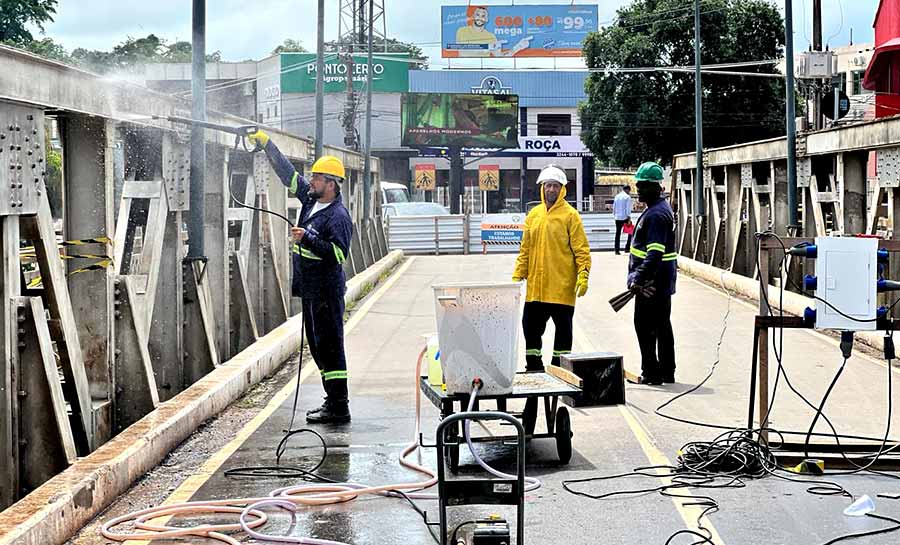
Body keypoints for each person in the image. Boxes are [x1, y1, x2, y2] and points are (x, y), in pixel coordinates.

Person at [248, 129, 353, 424]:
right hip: (310, 290)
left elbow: (338, 255)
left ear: (331, 184)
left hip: (326, 292)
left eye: (318, 178)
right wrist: (267, 145)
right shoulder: (310, 200)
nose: (312, 181)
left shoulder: (338, 217)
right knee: (318, 345)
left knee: (330, 347)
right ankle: (332, 400)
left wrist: (307, 238)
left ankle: (339, 406)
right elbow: (287, 174)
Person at [513, 165, 591, 373]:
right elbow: (525, 248)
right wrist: (518, 274)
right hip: (536, 289)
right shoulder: (534, 215)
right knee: (529, 327)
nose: (551, 190)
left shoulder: (570, 216)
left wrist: (583, 275)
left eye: (556, 186)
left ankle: (560, 370)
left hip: (561, 288)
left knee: (563, 331)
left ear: (562, 189)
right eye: (548, 186)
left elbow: (581, 250)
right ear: (542, 187)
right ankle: (534, 368)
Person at [627, 162, 677, 386]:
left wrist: (638, 278)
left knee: (645, 326)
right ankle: (666, 370)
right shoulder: (658, 209)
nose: (639, 189)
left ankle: (651, 372)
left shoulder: (656, 215)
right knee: (662, 325)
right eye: (638, 184)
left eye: (644, 185)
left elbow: (654, 254)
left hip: (652, 282)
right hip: (661, 280)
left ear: (657, 187)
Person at [613, 184, 634, 255]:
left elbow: (614, 207)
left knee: (617, 233)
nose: (629, 192)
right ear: (627, 190)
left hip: (617, 218)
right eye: (629, 191)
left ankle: (617, 250)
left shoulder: (617, 196)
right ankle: (627, 248)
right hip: (625, 217)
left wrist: (615, 215)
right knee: (630, 232)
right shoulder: (627, 197)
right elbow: (628, 209)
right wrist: (629, 218)